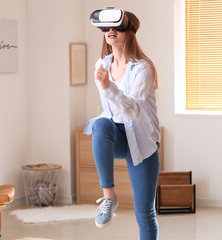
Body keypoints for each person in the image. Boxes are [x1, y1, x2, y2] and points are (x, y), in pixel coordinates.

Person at [84, 9, 161, 240]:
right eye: (107, 28)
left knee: (145, 214)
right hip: (116, 134)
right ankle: (109, 196)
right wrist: (108, 86)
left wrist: (110, 87)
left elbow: (133, 110)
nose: (111, 32)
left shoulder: (143, 68)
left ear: (130, 33)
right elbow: (111, 111)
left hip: (142, 141)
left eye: (116, 28)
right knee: (101, 124)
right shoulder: (102, 64)